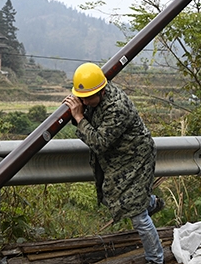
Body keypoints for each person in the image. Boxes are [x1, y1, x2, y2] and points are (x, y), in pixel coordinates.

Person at [64, 63, 165, 264]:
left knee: (137, 214)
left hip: (136, 158)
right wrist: (82, 113)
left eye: (89, 98)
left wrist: (79, 118)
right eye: (81, 98)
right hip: (117, 158)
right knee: (115, 198)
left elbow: (99, 142)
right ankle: (150, 202)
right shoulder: (95, 97)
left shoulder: (117, 107)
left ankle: (155, 259)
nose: (84, 102)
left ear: (101, 91)